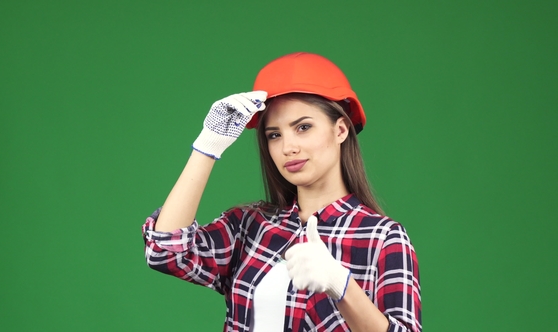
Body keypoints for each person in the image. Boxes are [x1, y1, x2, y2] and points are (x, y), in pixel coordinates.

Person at [142, 52, 422, 332]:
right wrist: (208, 145)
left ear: (340, 130)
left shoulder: (382, 237)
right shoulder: (249, 226)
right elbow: (166, 252)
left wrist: (342, 285)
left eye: (303, 127)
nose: (288, 147)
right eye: (274, 135)